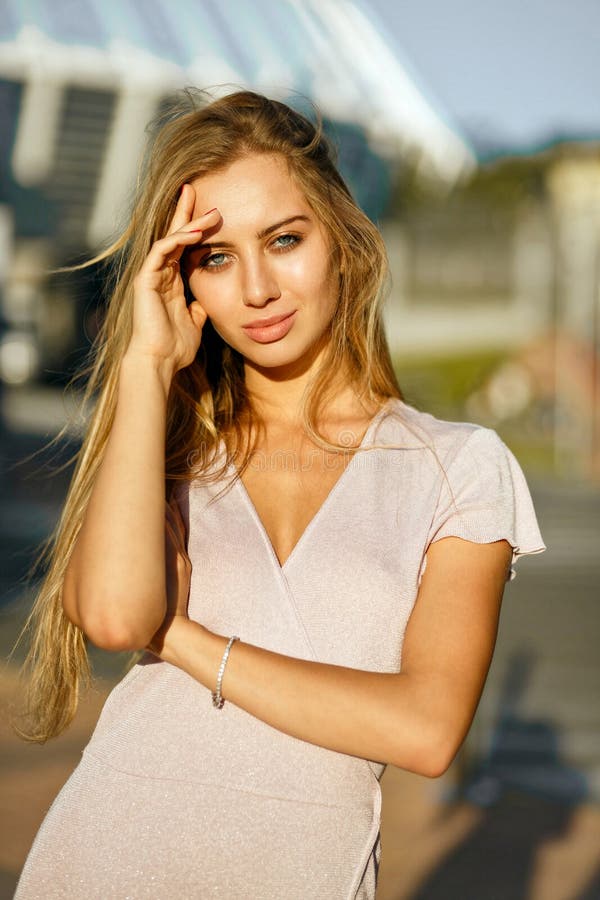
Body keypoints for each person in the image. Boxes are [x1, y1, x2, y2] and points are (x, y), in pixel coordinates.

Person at [11, 88, 546, 899]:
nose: (256, 288)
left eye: (284, 240)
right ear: (185, 280)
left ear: (342, 239)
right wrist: (145, 367)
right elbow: (119, 620)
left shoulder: (457, 466)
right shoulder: (170, 449)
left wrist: (184, 640)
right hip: (104, 858)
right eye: (216, 258)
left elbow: (426, 730)